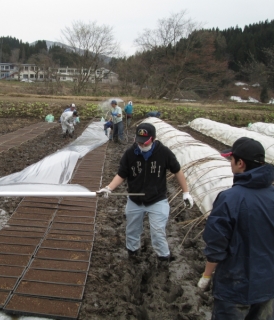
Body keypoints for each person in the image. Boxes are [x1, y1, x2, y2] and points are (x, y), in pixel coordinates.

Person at [198, 137, 274, 320]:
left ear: (240, 163)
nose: (230, 163)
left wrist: (207, 275)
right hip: (268, 286)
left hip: (234, 287)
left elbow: (216, 246)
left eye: (231, 159)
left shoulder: (229, 199)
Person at [98, 123, 193, 264]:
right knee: (132, 231)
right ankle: (133, 255)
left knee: (157, 232)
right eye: (139, 142)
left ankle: (163, 259)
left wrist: (186, 192)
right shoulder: (130, 153)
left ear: (153, 139)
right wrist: (109, 188)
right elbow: (121, 174)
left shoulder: (164, 153)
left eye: (145, 142)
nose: (142, 145)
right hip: (135, 199)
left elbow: (177, 170)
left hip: (157, 200)